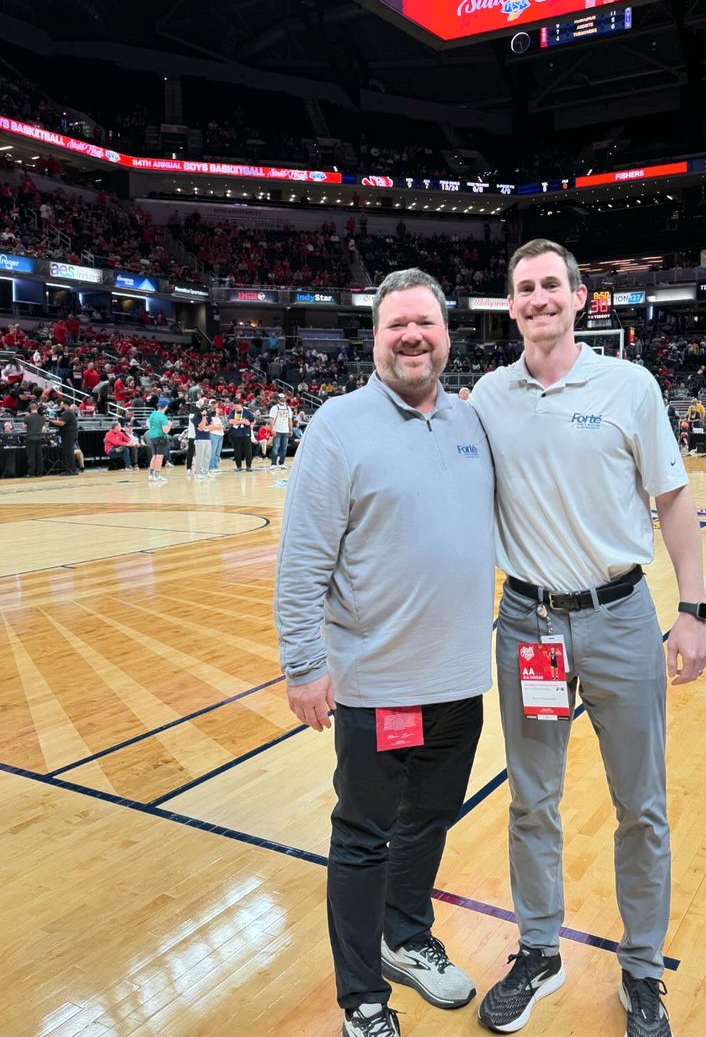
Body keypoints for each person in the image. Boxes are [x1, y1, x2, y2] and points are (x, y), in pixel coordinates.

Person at [470, 240, 706, 1037]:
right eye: (524, 288)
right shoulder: (487, 398)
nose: (538, 298)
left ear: (579, 298)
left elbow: (672, 498)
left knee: (641, 805)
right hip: (527, 624)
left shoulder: (629, 386)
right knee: (531, 801)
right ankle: (539, 951)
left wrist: (694, 609)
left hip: (620, 619)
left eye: (551, 285)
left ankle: (642, 970)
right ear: (511, 307)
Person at [274, 269, 495, 1037]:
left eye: (425, 324)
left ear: (446, 335)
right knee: (365, 837)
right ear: (375, 336)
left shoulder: (471, 422)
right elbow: (302, 558)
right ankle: (362, 998)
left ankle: (406, 936)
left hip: (460, 685)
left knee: (430, 822)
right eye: (396, 324)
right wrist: (303, 666)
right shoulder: (338, 425)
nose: (411, 336)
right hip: (382, 692)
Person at [146, 398, 172, 484]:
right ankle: (157, 476)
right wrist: (170, 425)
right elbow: (166, 431)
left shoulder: (153, 414)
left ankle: (151, 475)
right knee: (159, 458)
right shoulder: (163, 417)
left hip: (152, 437)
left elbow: (148, 424)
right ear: (166, 406)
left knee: (154, 456)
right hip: (161, 438)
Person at [50, 400, 79, 475]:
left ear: (65, 405)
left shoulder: (67, 412)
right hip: (70, 435)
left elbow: (61, 423)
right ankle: (71, 469)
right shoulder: (68, 413)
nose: (60, 406)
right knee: (69, 452)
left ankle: (71, 470)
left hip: (68, 435)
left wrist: (49, 420)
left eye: (61, 404)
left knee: (68, 452)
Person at [228, 398, 255, 472]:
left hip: (245, 433)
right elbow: (230, 421)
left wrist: (248, 423)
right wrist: (241, 421)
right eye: (234, 405)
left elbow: (251, 421)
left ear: (240, 405)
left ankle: (248, 466)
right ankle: (238, 466)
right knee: (237, 451)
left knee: (248, 451)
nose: (235, 407)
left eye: (236, 405)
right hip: (236, 434)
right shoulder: (232, 412)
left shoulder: (247, 412)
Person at [191, 398, 213, 480]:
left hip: (208, 438)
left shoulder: (209, 415)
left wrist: (205, 427)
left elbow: (212, 426)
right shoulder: (196, 416)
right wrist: (203, 417)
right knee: (199, 457)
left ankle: (206, 472)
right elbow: (200, 427)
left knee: (207, 457)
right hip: (200, 439)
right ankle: (198, 473)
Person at [271, 394, 293, 469]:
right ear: (278, 399)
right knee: (275, 447)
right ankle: (273, 463)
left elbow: (290, 419)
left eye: (284, 398)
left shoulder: (288, 408)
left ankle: (281, 463)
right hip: (277, 430)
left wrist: (290, 429)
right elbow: (271, 420)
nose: (283, 399)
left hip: (286, 431)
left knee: (284, 448)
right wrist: (272, 429)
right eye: (281, 398)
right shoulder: (275, 408)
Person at [24, 403, 47, 477]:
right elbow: (43, 427)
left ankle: (31, 473)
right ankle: (39, 473)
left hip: (30, 438)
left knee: (31, 457)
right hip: (39, 438)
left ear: (30, 408)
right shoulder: (42, 417)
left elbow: (24, 427)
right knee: (39, 456)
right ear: (37, 408)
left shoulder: (28, 417)